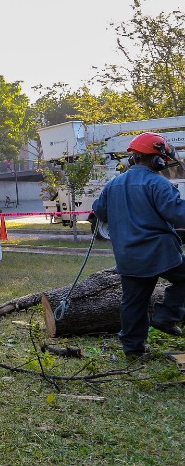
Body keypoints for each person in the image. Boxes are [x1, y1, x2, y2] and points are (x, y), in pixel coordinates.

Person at [92, 132, 185, 358]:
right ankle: (167, 316)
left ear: (133, 158)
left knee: (133, 302)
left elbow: (99, 211)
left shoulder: (112, 184)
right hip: (158, 253)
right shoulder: (158, 184)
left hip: (128, 255)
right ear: (157, 160)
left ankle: (133, 350)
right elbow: (179, 215)